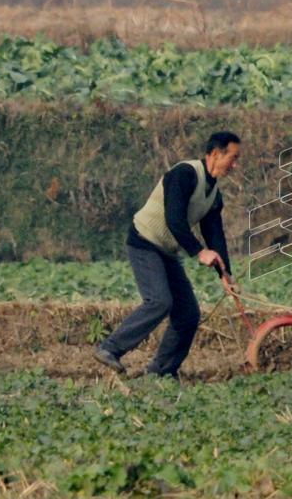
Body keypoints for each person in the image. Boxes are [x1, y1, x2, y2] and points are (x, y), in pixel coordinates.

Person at [94, 131, 241, 379]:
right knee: (160, 301)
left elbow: (215, 236)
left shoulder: (214, 195)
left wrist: (225, 274)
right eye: (233, 158)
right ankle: (110, 348)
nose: (235, 165)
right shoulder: (183, 174)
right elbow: (174, 220)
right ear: (216, 154)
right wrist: (198, 252)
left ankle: (160, 371)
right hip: (144, 242)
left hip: (167, 250)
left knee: (188, 314)